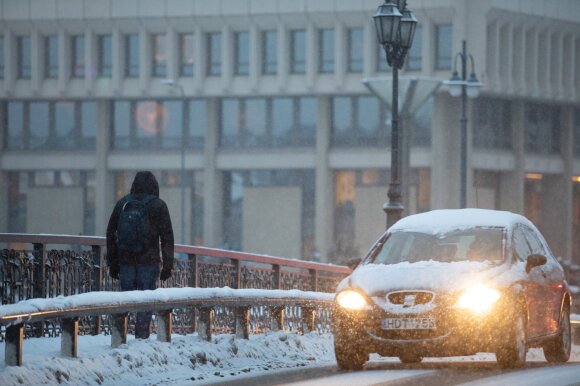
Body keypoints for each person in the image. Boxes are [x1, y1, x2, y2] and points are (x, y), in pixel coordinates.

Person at [106, 171, 175, 339]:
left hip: (126, 261)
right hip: (149, 262)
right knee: (146, 301)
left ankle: (119, 335)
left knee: (125, 302)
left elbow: (110, 233)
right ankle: (141, 336)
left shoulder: (123, 203)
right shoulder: (158, 205)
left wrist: (113, 262)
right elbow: (167, 237)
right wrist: (168, 264)